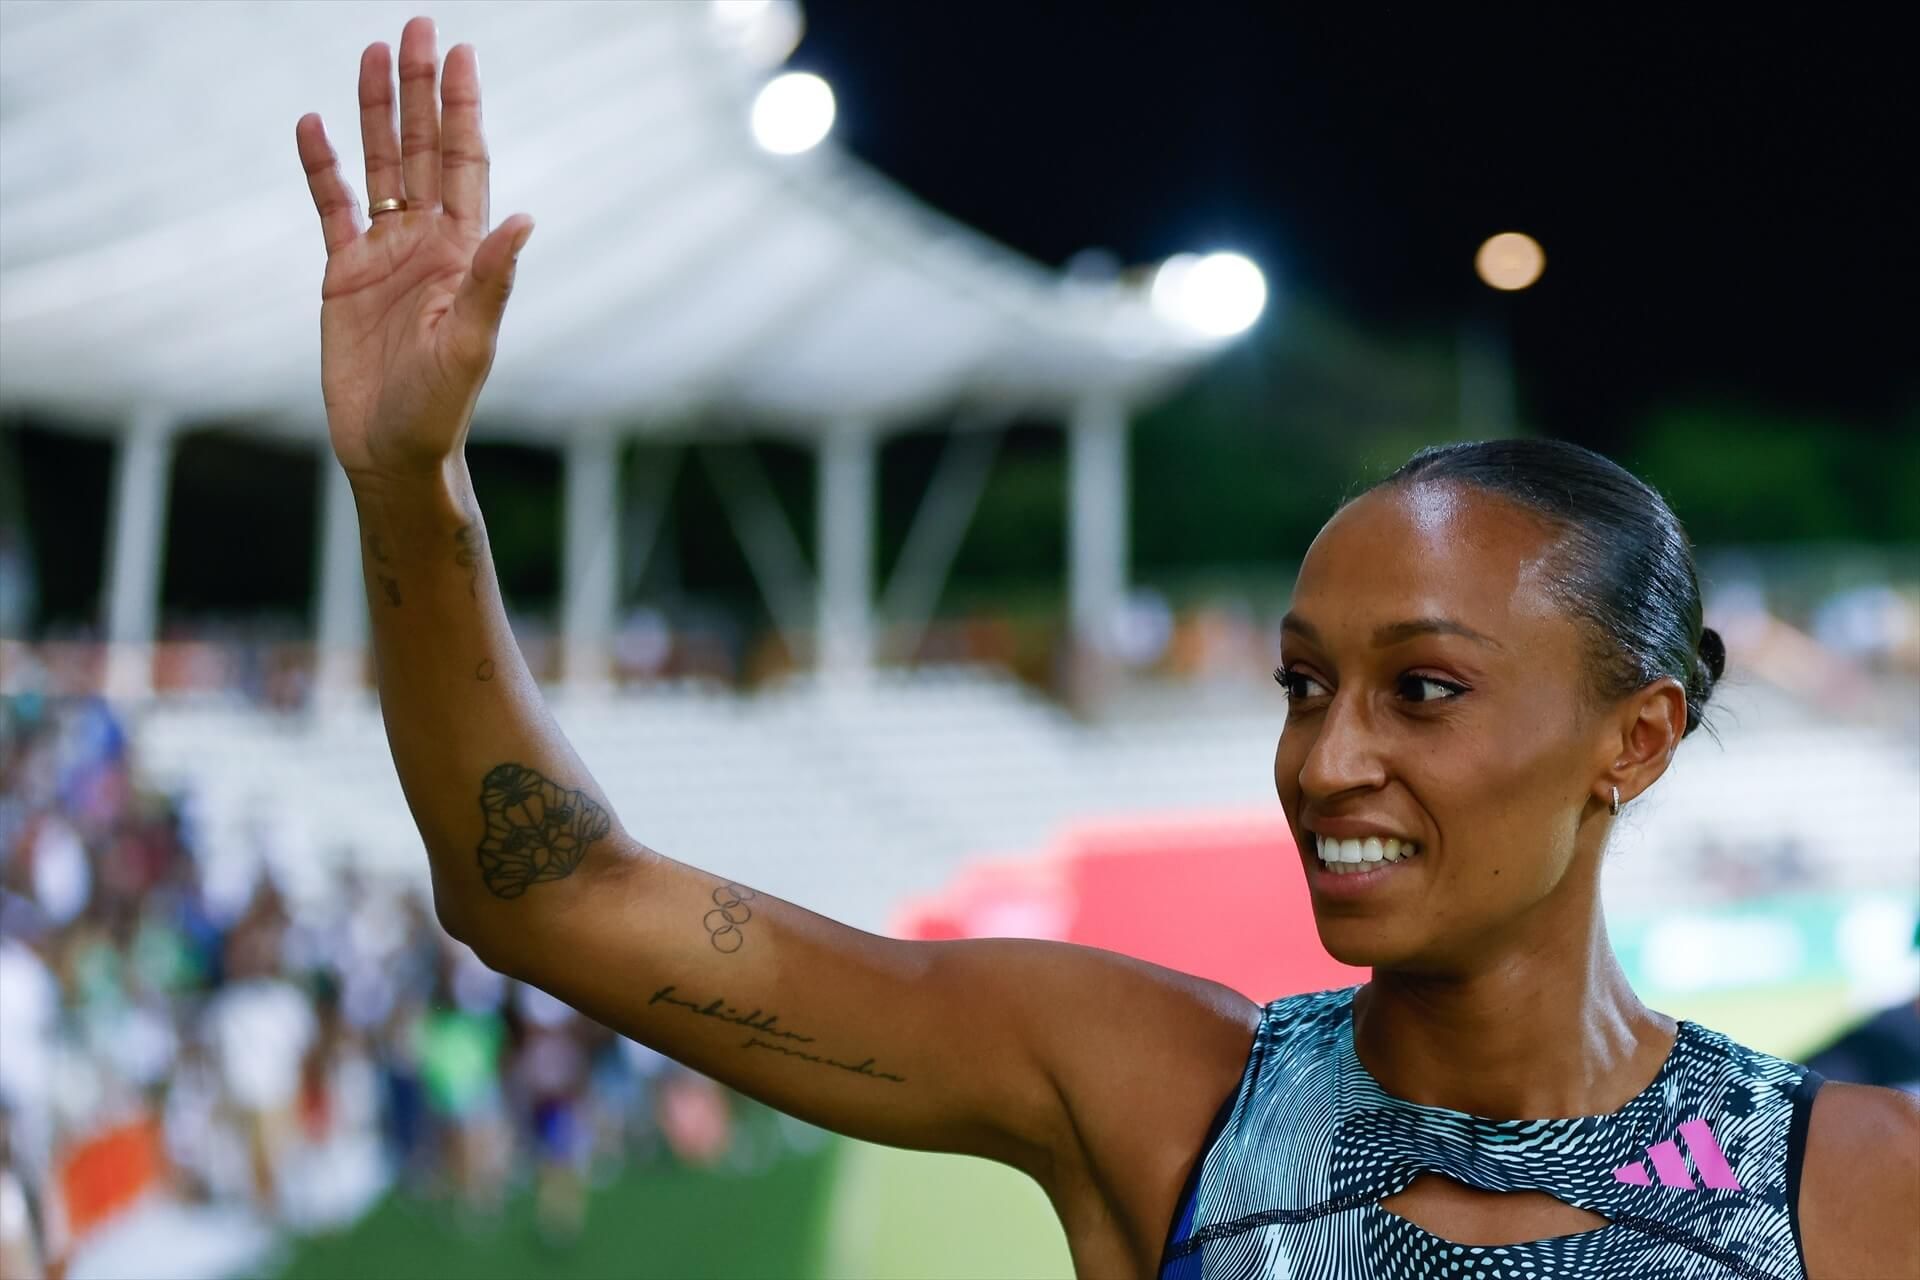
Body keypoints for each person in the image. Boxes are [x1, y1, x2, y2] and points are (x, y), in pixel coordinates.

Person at [292, 18, 1920, 1278]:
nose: (1326, 756)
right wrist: (410, 480)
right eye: (1302, 685)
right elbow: (543, 890)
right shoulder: (1153, 1092)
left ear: (1634, 739)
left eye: (1422, 689)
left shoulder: (1856, 1186)